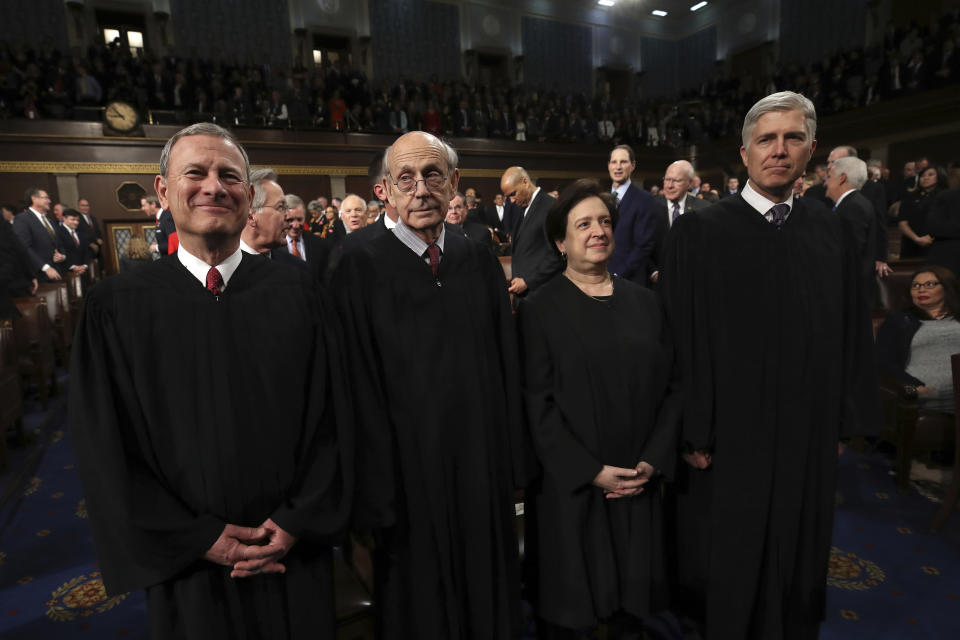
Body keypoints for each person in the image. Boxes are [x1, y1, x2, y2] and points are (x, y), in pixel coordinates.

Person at [70, 122, 352, 640]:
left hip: (291, 550)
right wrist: (197, 537)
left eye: (229, 176)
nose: (213, 186)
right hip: (187, 563)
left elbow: (337, 416)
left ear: (248, 194)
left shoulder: (301, 294)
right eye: (194, 173)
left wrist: (296, 519)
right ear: (162, 190)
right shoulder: (117, 307)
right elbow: (105, 443)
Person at [661, 91, 877, 639]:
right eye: (766, 139)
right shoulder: (699, 231)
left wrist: (844, 419)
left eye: (793, 138)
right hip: (730, 430)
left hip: (808, 426)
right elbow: (681, 337)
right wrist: (694, 427)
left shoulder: (832, 232)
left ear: (812, 151)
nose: (779, 150)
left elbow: (854, 329)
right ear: (744, 152)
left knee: (799, 547)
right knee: (728, 554)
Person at [332, 131, 525, 639]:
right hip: (403, 474)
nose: (421, 189)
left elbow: (505, 360)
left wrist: (511, 456)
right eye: (406, 179)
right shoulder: (355, 262)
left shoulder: (476, 253)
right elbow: (351, 384)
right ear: (385, 191)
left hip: (479, 464)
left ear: (454, 184)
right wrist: (370, 489)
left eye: (433, 175)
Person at [520, 179, 680, 637]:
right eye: (584, 224)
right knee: (574, 616)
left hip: (637, 479)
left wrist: (653, 459)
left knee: (632, 612)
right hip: (574, 487)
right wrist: (591, 470)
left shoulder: (647, 304)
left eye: (605, 222)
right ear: (560, 242)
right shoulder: (538, 309)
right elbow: (537, 404)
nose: (598, 231)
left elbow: (674, 387)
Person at [876, 265, 960, 415]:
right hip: (925, 397)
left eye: (930, 284)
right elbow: (882, 361)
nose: (921, 290)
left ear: (947, 288)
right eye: (915, 286)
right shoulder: (899, 321)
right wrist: (913, 387)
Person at [825, 156, 879, 309]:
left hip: (851, 292)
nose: (826, 183)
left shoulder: (852, 207)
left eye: (829, 177)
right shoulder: (858, 203)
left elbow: (849, 253)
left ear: (842, 178)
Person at [501, 166, 563, 299]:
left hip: (543, 295)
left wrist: (528, 281)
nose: (511, 200)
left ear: (525, 182)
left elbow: (557, 256)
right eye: (508, 197)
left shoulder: (550, 206)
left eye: (513, 194)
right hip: (526, 297)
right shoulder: (522, 207)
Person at [649, 160, 708, 284]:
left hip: (693, 282)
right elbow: (641, 244)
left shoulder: (704, 209)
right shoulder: (649, 207)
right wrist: (653, 272)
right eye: (667, 179)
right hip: (657, 284)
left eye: (676, 181)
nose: (669, 186)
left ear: (690, 183)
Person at [606, 145, 657, 285]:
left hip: (629, 280)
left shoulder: (644, 199)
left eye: (623, 162)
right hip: (599, 276)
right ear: (608, 165)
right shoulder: (600, 197)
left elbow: (643, 245)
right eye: (614, 162)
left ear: (633, 165)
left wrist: (618, 275)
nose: (618, 167)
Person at [12, 187, 65, 281]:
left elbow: (59, 244)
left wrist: (62, 256)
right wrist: (45, 267)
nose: (49, 201)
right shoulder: (22, 219)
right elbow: (24, 247)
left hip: (57, 272)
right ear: (34, 199)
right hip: (39, 275)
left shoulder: (50, 220)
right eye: (46, 198)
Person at [237, 168, 290, 256]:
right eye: (281, 207)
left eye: (286, 207)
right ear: (251, 216)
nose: (288, 216)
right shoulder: (218, 266)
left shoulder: (296, 267)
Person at [899, 165, 948, 259]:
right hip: (911, 244)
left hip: (936, 244)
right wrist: (917, 239)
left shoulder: (945, 197)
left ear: (939, 177)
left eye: (930, 175)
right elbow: (902, 223)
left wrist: (931, 237)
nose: (925, 178)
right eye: (922, 176)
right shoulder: (910, 197)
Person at [55, 209, 90, 275]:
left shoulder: (80, 232)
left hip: (83, 272)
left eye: (77, 220)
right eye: (73, 219)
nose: (76, 222)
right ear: (64, 218)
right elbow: (60, 252)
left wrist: (85, 266)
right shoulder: (58, 232)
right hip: (67, 273)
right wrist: (73, 267)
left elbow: (86, 251)